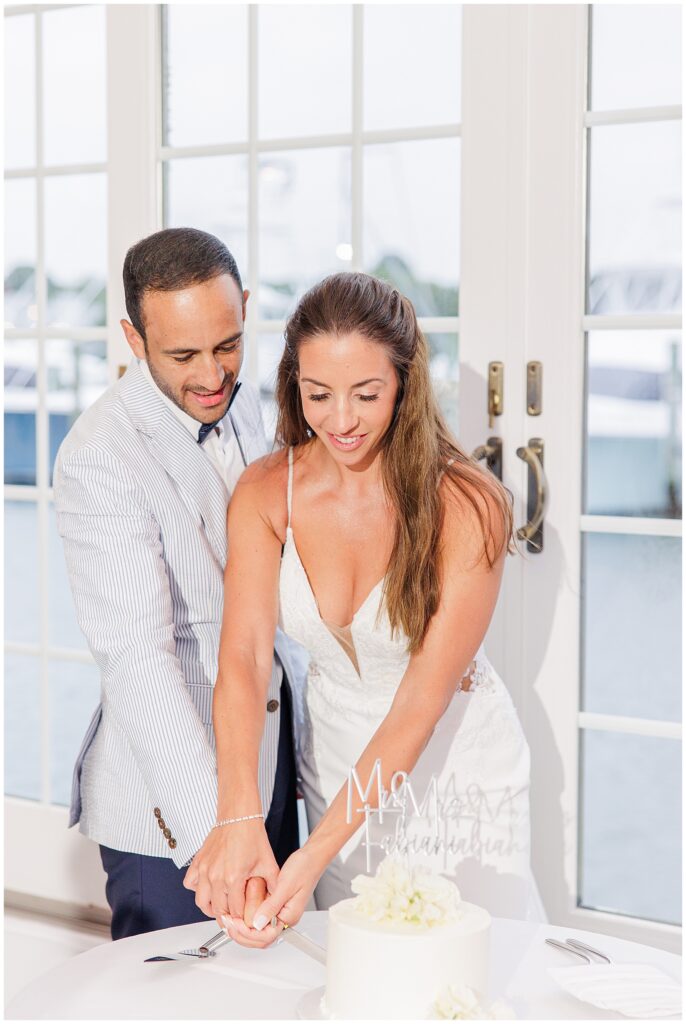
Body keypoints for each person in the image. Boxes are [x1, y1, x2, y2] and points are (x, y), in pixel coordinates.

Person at [184, 271, 542, 947]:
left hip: (455, 772)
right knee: (353, 971)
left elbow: (418, 706)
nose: (341, 420)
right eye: (318, 394)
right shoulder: (266, 492)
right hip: (338, 766)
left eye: (366, 394)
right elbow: (242, 657)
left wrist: (309, 855)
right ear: (295, 384)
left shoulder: (466, 505)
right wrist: (241, 820)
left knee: (467, 972)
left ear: (404, 384)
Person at [54, 227, 300, 939]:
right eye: (183, 355)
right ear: (134, 338)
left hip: (269, 766)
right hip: (173, 816)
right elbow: (138, 662)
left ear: (245, 309)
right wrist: (220, 825)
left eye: (227, 345)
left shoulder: (250, 402)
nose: (213, 376)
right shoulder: (99, 456)